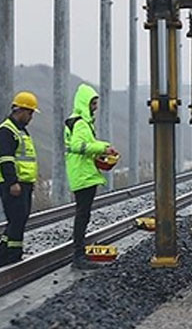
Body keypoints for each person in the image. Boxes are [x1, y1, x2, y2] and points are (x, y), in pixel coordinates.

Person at [64, 83, 116, 270]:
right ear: (84, 103)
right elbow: (78, 145)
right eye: (93, 103)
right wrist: (103, 148)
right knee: (82, 214)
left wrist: (104, 146)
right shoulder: (80, 123)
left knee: (83, 213)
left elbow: (87, 143)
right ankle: (78, 256)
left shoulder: (81, 123)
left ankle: (79, 252)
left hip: (83, 173)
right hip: (83, 174)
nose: (95, 107)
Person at [0, 91, 40, 270]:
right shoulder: (6, 131)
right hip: (12, 184)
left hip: (23, 183)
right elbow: (6, 159)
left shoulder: (20, 130)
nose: (31, 117)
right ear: (20, 110)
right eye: (30, 113)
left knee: (18, 220)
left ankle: (2, 258)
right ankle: (13, 257)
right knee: (17, 220)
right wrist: (12, 182)